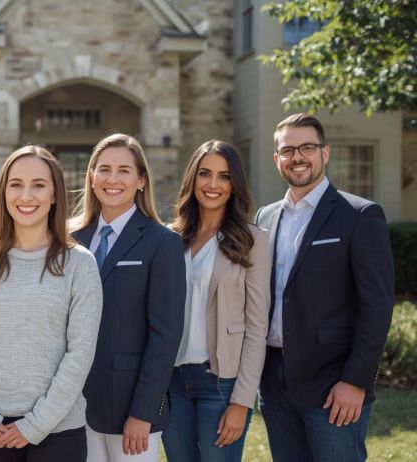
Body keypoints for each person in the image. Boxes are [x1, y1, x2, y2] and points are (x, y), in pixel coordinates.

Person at [256, 113, 394, 461]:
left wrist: (356, 381)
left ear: (325, 153)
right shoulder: (265, 218)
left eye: (307, 147)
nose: (297, 157)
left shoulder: (359, 215)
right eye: (288, 150)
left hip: (333, 384)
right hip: (274, 382)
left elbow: (376, 307)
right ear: (277, 159)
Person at [0, 146, 103, 461]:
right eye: (16, 184)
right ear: (3, 193)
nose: (26, 195)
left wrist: (34, 425)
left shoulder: (80, 264)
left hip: (59, 429)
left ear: (54, 195)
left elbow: (80, 353)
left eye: (38, 185)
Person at [71, 133, 185, 462]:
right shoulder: (69, 239)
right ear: (91, 176)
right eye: (104, 169)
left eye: (124, 170)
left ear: (141, 180)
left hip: (130, 407)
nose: (112, 179)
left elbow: (166, 336)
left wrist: (144, 413)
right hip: (72, 403)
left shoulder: (162, 242)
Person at [161, 140, 270, 461]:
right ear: (192, 179)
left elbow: (256, 325)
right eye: (205, 173)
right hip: (173, 383)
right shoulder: (170, 237)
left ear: (234, 184)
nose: (213, 184)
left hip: (221, 384)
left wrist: (242, 401)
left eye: (224, 176)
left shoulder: (253, 239)